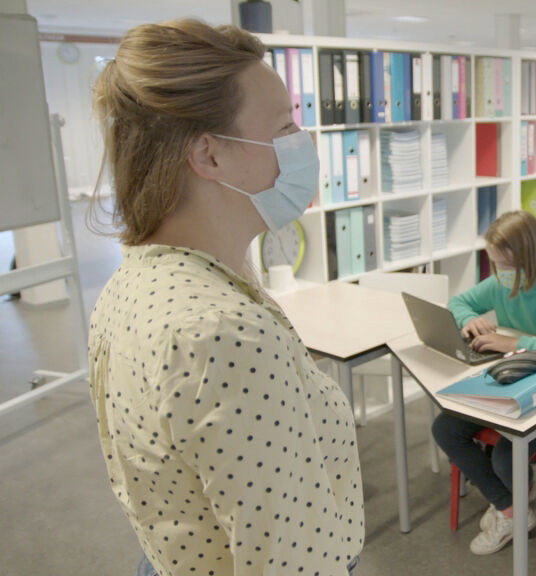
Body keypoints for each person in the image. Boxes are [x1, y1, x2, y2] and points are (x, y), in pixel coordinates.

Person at [88, 20, 363, 575]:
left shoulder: (140, 280)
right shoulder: (221, 334)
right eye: (285, 127)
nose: (303, 143)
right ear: (209, 155)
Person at [432, 210, 536, 555]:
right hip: (516, 379)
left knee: (505, 458)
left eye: (506, 264)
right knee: (446, 429)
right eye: (495, 263)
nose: (500, 272)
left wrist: (515, 344)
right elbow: (458, 302)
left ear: (529, 257)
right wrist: (469, 319)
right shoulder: (504, 280)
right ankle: (511, 510)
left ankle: (512, 498)